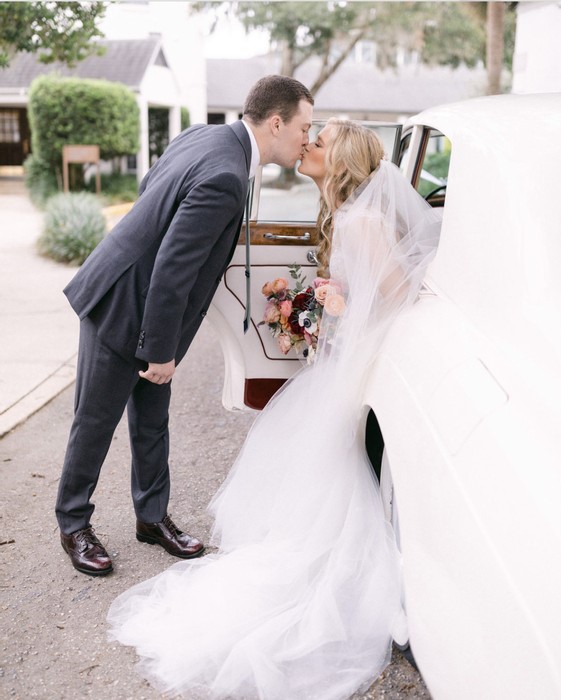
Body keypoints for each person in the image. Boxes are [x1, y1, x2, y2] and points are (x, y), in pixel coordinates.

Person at [107, 120, 442, 699]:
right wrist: (331, 307)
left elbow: (395, 293)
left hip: (368, 359)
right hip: (348, 352)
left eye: (321, 140)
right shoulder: (347, 211)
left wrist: (342, 312)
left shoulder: (361, 220)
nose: (308, 144)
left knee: (320, 465)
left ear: (340, 160)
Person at [55, 75, 314, 577]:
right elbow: (173, 267)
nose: (308, 137)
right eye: (305, 127)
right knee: (95, 420)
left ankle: (151, 519)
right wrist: (160, 349)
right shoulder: (226, 176)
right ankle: (73, 523)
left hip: (149, 304)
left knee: (152, 420)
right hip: (122, 303)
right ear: (277, 123)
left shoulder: (205, 135)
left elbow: (154, 188)